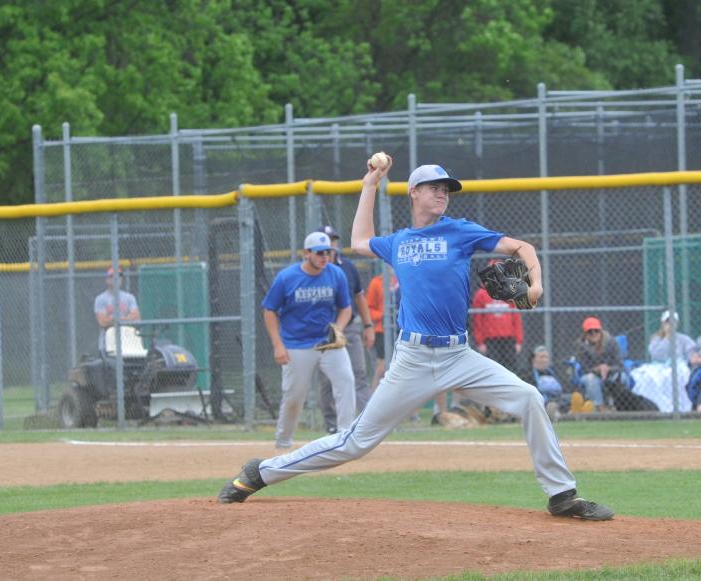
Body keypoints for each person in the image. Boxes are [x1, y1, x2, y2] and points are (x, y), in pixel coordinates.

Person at [218, 156, 614, 521]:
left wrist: (536, 285)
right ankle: (260, 472)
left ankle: (562, 495)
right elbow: (359, 241)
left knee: (529, 397)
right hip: (412, 358)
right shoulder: (399, 242)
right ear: (414, 192)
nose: (443, 193)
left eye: (447, 188)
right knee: (355, 442)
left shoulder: (460, 232)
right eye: (435, 187)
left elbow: (522, 247)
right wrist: (370, 183)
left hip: (459, 355)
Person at [260, 231, 356, 449]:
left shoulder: (335, 274)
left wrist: (338, 329)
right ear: (306, 254)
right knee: (295, 395)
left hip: (327, 343)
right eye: (320, 253)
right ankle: (283, 441)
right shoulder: (287, 277)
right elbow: (269, 311)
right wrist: (278, 345)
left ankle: (345, 437)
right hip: (296, 344)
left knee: (346, 381)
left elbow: (345, 308)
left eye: (329, 252)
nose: (325, 257)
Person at [316, 225, 376, 434]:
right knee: (326, 380)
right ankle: (332, 425)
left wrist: (368, 326)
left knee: (359, 373)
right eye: (326, 239)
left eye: (333, 239)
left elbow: (359, 296)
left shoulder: (347, 267)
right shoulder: (313, 269)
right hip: (323, 332)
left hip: (349, 328)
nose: (331, 244)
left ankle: (368, 423)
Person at [629, 311, 694, 413]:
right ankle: (656, 406)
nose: (670, 325)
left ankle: (677, 406)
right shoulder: (656, 338)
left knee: (676, 375)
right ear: (663, 323)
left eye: (673, 322)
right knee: (648, 377)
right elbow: (657, 355)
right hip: (658, 367)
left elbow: (691, 354)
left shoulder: (684, 339)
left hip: (677, 366)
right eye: (668, 322)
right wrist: (667, 337)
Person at [472, 260, 524, 371]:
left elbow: (516, 319)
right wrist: (480, 342)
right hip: (490, 340)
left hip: (509, 338)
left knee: (511, 369)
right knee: (493, 369)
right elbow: (477, 321)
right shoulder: (481, 294)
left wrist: (518, 340)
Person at [573, 317, 629, 413]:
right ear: (585, 334)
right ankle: (600, 409)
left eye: (596, 330)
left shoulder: (611, 343)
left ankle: (617, 406)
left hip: (611, 373)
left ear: (601, 331)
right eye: (590, 331)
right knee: (591, 379)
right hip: (592, 375)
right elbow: (583, 368)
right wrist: (596, 369)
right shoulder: (581, 346)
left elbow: (620, 365)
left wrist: (608, 368)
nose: (594, 333)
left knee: (622, 377)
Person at [365, 265, 400, 392]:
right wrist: (383, 315)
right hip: (382, 330)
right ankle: (372, 400)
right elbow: (368, 308)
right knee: (382, 367)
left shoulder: (403, 279)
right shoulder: (376, 282)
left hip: (402, 330)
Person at [94, 267, 141, 352]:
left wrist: (114, 319)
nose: (116, 279)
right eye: (112, 276)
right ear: (107, 280)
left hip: (128, 342)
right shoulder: (100, 299)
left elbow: (136, 318)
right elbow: (103, 322)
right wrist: (127, 319)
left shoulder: (129, 297)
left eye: (119, 276)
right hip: (107, 344)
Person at [524, 345, 566, 419]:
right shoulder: (526, 373)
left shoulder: (553, 372)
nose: (545, 360)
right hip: (537, 404)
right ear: (533, 359)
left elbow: (562, 389)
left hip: (556, 401)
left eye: (546, 357)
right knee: (550, 407)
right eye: (541, 357)